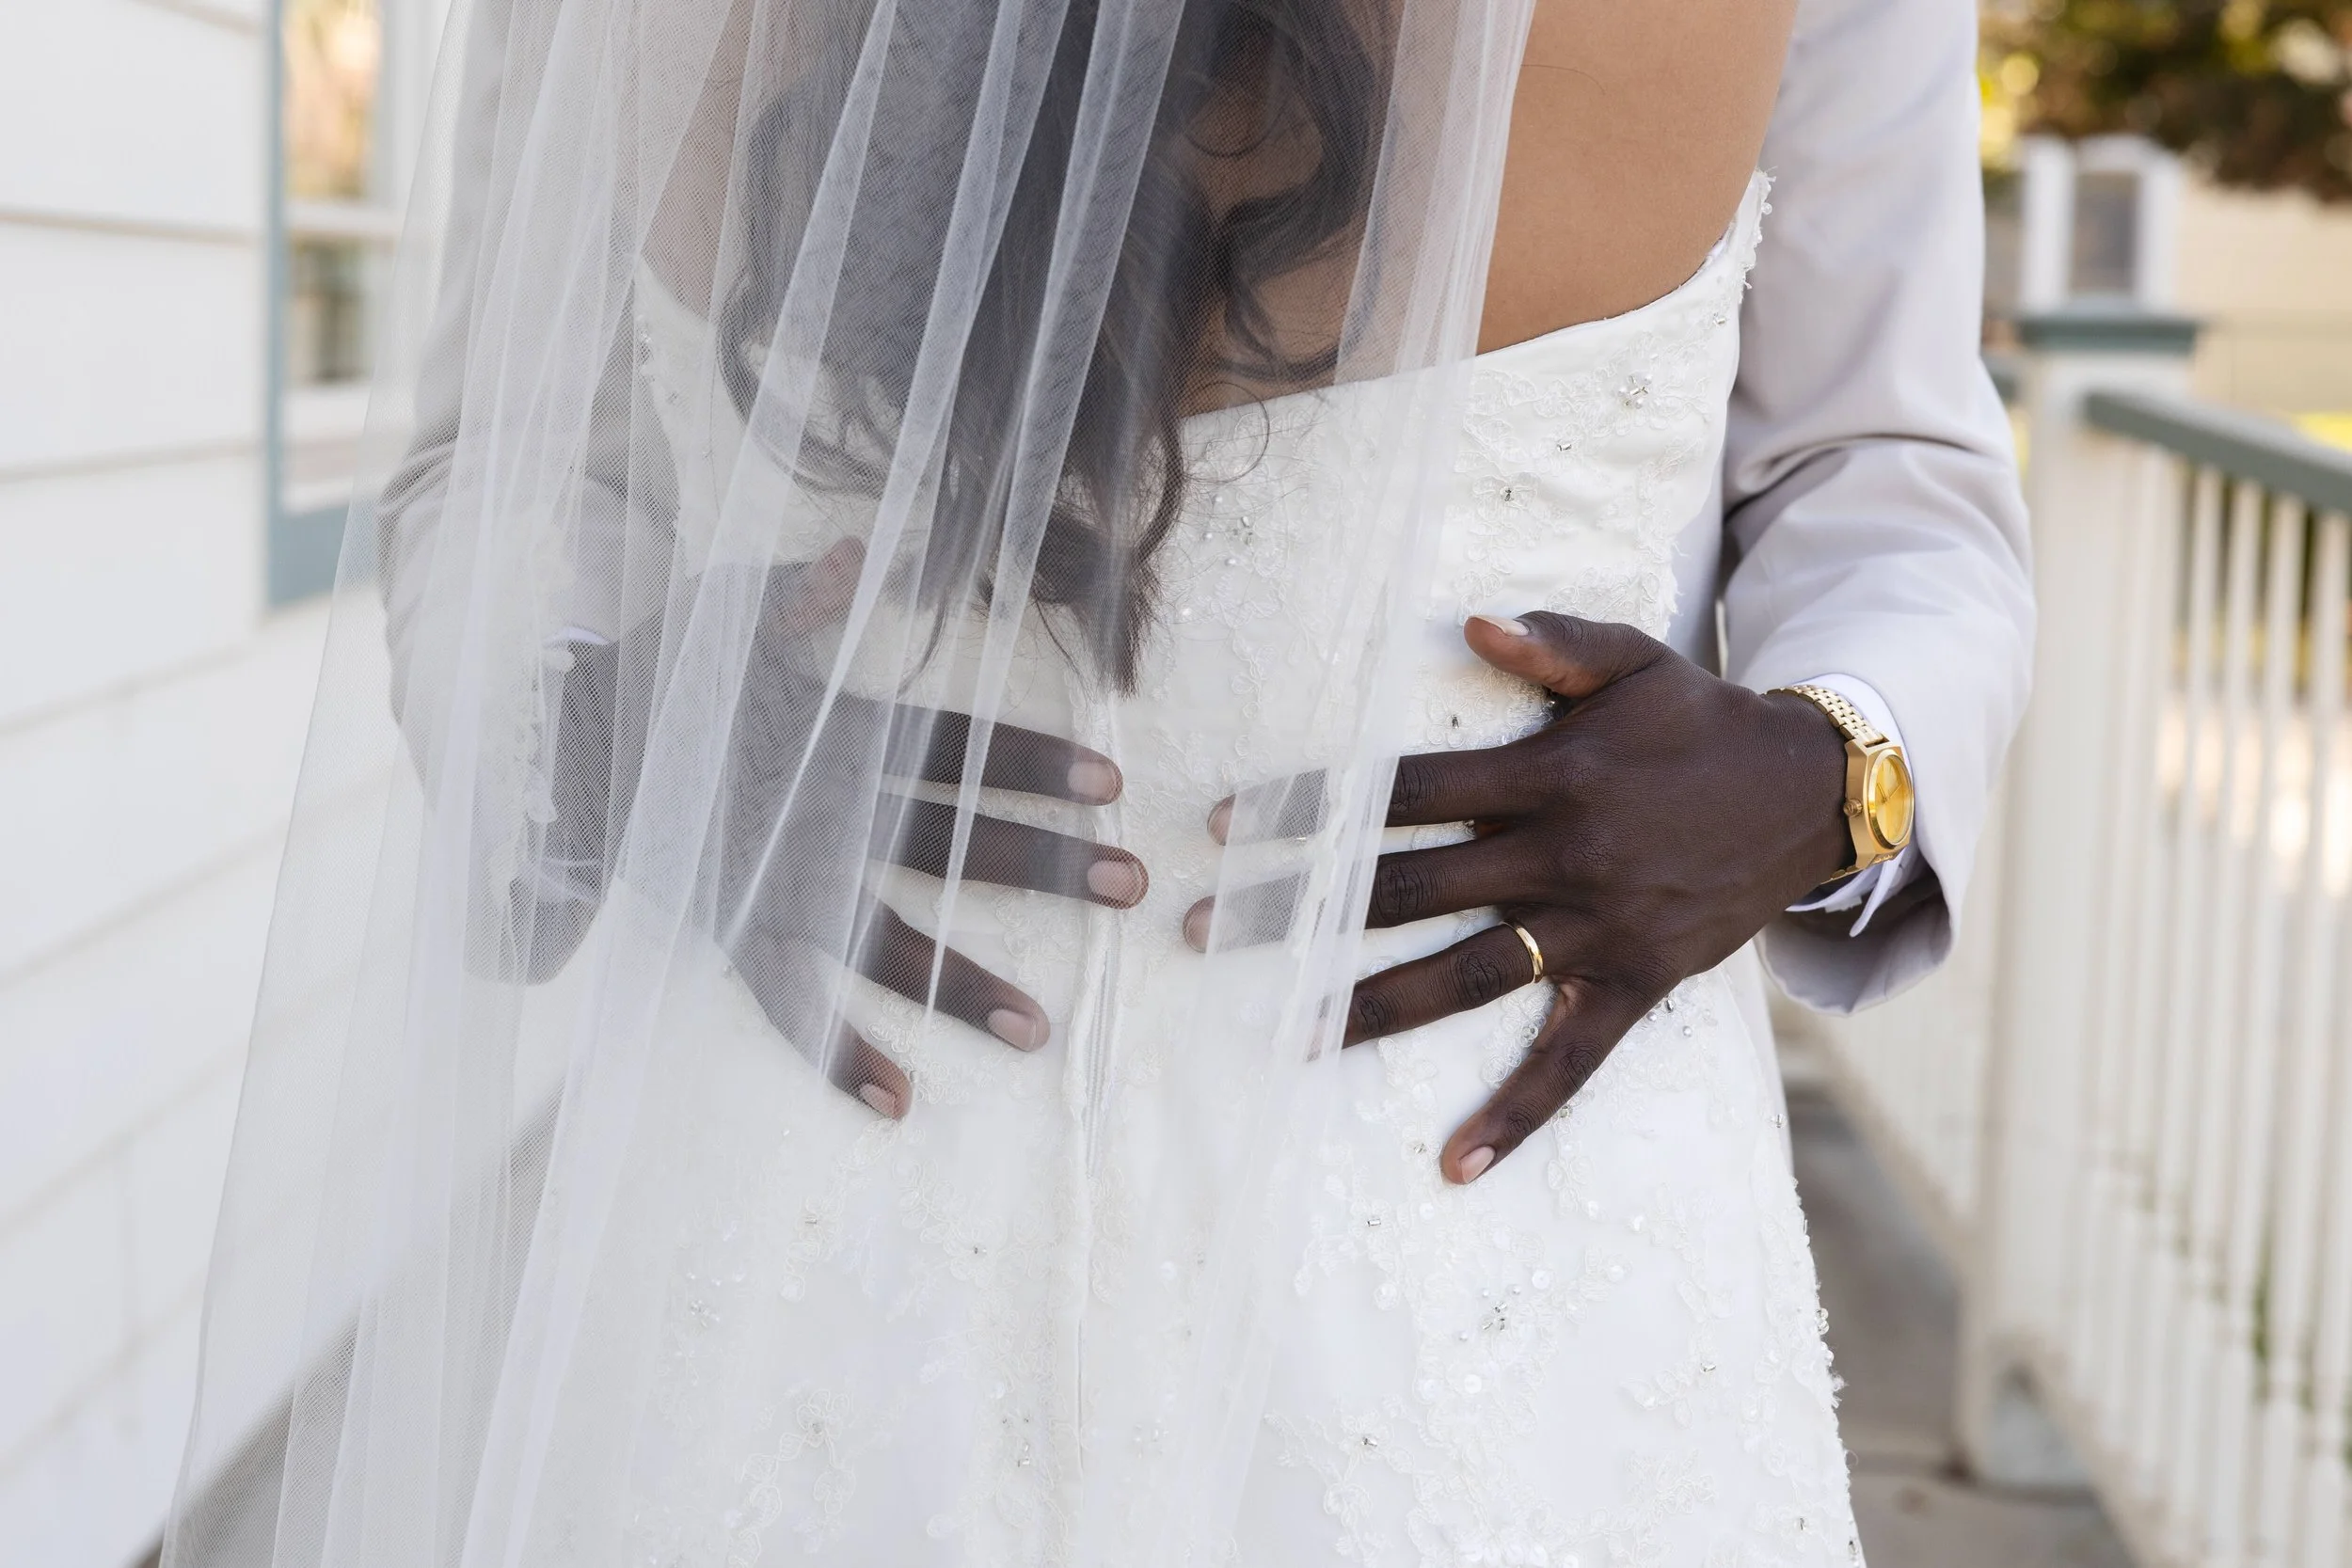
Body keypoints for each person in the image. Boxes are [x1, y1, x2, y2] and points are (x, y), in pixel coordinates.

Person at [167, 0, 2028, 1561]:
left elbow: (1884, 471)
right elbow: (509, 468)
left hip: (1475, 1221)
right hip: (811, 1184)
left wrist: (1832, 761)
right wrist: (592, 723)